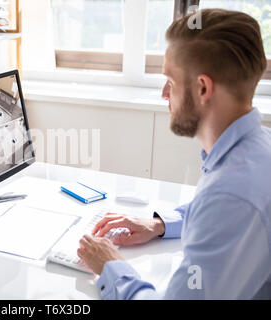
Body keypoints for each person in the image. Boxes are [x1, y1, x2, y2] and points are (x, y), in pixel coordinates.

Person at [77, 8, 271, 299]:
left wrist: (111, 267)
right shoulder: (255, 147)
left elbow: (225, 209)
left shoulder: (232, 195)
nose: (164, 94)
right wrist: (160, 224)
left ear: (203, 87)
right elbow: (217, 217)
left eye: (171, 81)